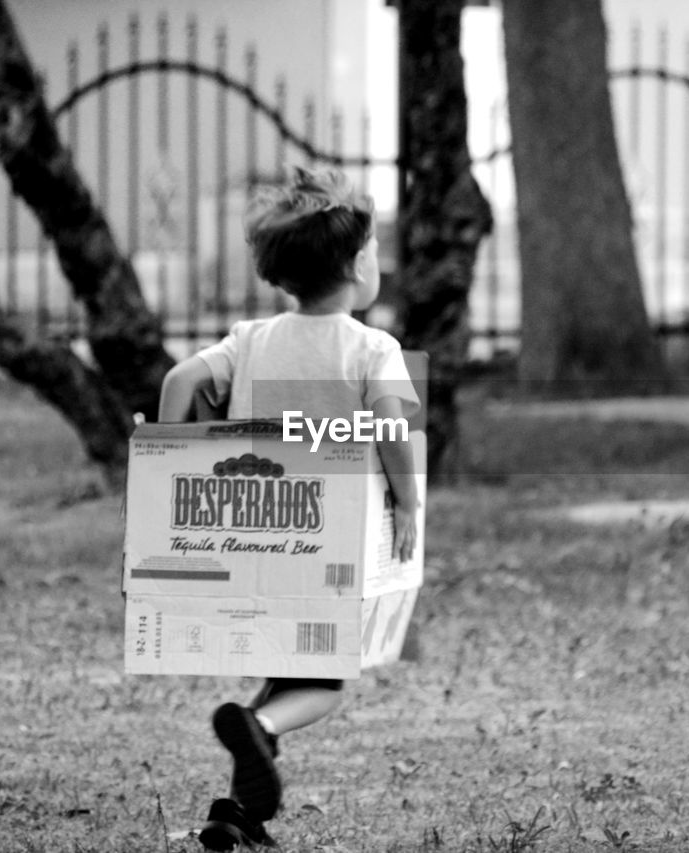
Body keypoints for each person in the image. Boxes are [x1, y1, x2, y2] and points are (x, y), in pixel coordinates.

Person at [156, 166, 421, 850]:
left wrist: (175, 456)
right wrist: (410, 506)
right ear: (360, 266)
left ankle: (236, 813)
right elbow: (391, 434)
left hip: (259, 539)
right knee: (326, 683)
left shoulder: (249, 340)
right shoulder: (372, 349)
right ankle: (265, 733)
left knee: (282, 673)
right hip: (334, 546)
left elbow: (181, 379)